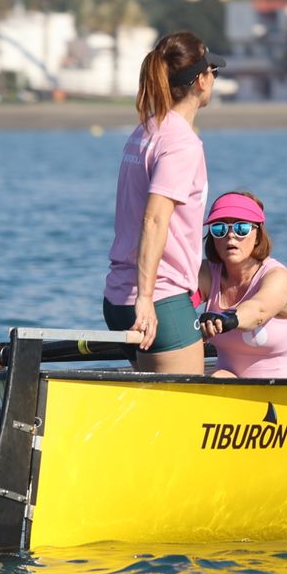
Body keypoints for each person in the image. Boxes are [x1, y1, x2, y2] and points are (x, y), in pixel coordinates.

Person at [102, 31, 223, 373]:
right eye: (213, 71)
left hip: (117, 298)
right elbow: (154, 220)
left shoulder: (144, 132)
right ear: (200, 80)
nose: (214, 78)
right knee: (186, 412)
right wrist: (145, 299)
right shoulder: (181, 143)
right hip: (157, 300)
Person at [195, 190, 287, 379]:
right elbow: (174, 301)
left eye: (241, 228)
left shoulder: (277, 276)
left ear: (258, 235)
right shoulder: (207, 274)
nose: (230, 236)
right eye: (219, 228)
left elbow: (258, 311)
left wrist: (226, 319)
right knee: (217, 377)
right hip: (234, 383)